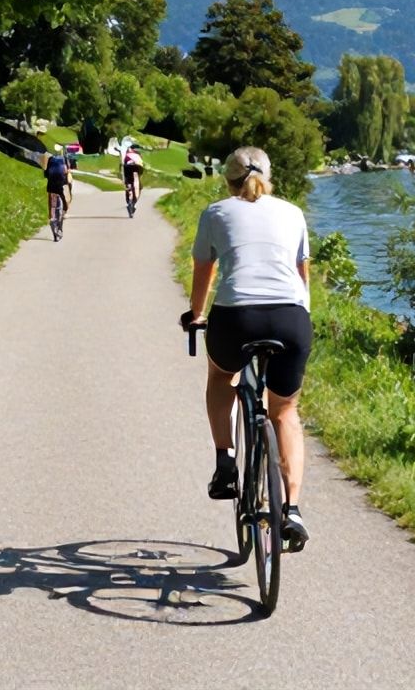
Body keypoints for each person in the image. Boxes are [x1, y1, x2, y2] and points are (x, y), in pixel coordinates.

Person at [179, 146, 312, 552]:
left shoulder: (216, 213)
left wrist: (196, 313)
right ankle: (291, 509)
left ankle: (225, 463)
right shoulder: (293, 213)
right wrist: (299, 319)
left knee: (222, 375)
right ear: (270, 177)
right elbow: (301, 275)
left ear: (228, 178)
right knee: (285, 409)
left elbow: (206, 269)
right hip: (291, 316)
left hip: (236, 317)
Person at [42, 143, 72, 233]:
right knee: (64, 196)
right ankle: (65, 211)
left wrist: (48, 176)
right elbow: (67, 170)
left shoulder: (50, 158)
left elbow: (46, 173)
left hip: (51, 180)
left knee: (50, 195)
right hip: (61, 180)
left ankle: (50, 216)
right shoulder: (64, 158)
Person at [122, 144, 146, 211]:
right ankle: (134, 203)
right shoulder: (138, 154)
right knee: (138, 186)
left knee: (128, 182)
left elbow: (124, 165)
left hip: (127, 167)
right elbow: (141, 167)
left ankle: (129, 198)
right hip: (138, 167)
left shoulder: (128, 153)